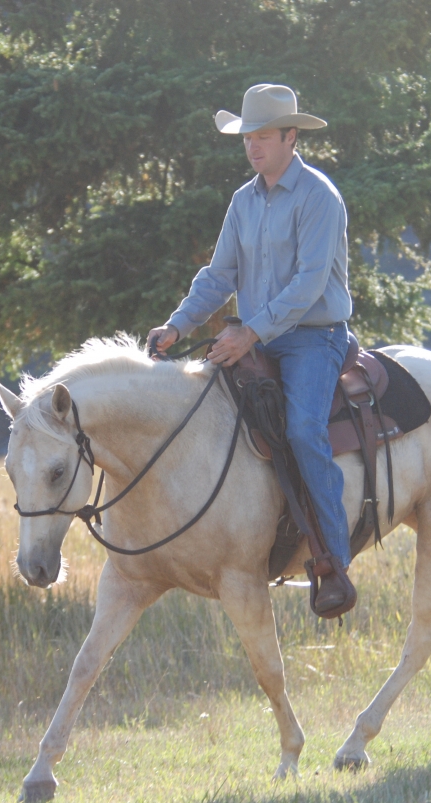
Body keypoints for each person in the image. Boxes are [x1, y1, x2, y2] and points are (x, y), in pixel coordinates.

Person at [147, 83, 356, 614]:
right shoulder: (243, 201)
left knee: (304, 431)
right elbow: (218, 277)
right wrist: (177, 326)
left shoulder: (319, 198)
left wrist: (249, 333)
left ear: (291, 136)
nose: (253, 146)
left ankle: (334, 561)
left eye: (263, 135)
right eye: (247, 137)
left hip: (314, 338)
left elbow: (309, 286)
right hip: (256, 335)